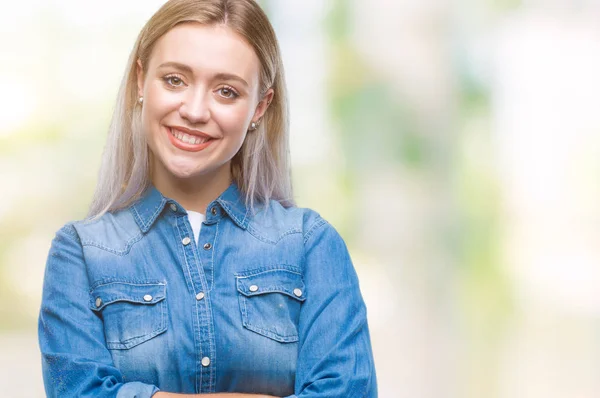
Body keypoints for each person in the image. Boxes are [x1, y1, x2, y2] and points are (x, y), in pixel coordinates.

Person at [38, 0, 377, 397]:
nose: (196, 111)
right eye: (175, 80)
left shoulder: (309, 245)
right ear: (139, 81)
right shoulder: (79, 253)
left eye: (227, 91)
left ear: (259, 108)